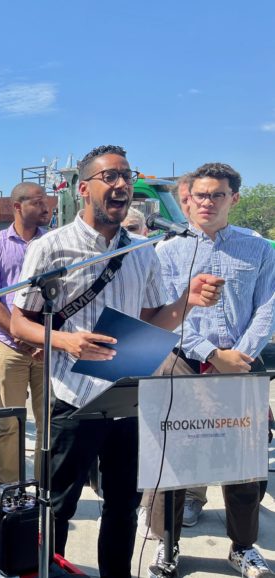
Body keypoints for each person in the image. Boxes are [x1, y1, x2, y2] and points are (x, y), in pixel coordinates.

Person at [10, 145, 223, 577]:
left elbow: (152, 320)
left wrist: (188, 301)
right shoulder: (53, 248)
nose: (122, 184)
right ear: (84, 188)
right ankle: (54, 571)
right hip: (72, 398)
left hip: (126, 398)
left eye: (126, 175)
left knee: (123, 505)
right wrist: (66, 341)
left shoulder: (144, 250)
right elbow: (19, 322)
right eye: (110, 177)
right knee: (58, 506)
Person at [145, 162, 275, 578]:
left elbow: (268, 307)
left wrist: (241, 354)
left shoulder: (259, 249)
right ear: (188, 199)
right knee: (173, 460)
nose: (206, 202)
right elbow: (165, 312)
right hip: (182, 362)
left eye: (216, 195)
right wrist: (209, 352)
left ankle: (243, 547)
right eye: (199, 195)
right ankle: (168, 545)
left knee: (243, 461)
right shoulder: (166, 251)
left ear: (233, 199)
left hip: (241, 364)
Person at [0, 182, 51, 482]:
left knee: (49, 423)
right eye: (38, 202)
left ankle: (46, 487)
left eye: (47, 202)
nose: (46, 207)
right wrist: (22, 335)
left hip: (47, 347)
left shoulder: (53, 244)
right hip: (9, 347)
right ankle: (10, 489)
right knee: (9, 423)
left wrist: (47, 338)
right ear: (17, 207)